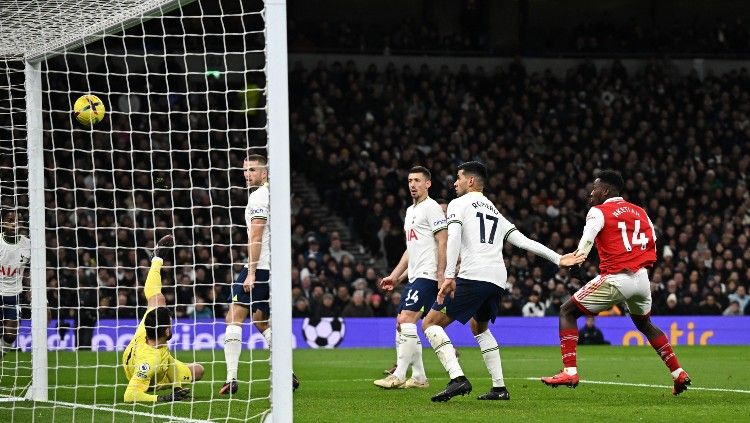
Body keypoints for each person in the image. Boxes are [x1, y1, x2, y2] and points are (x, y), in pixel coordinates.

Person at [421, 161, 583, 402]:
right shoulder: (494, 210)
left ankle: (457, 379)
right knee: (479, 327)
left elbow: (453, 236)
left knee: (430, 324)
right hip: (497, 279)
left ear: (471, 181)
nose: (455, 182)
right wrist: (558, 258)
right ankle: (499, 388)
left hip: (473, 275)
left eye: (459, 177)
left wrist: (448, 276)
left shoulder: (458, 204)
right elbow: (524, 241)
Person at [541, 170, 691, 396]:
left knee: (567, 311)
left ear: (606, 191)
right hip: (641, 279)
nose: (591, 193)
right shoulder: (640, 211)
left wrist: (576, 263)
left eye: (595, 188)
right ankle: (678, 372)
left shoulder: (598, 211)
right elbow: (653, 241)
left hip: (617, 277)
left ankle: (569, 371)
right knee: (645, 324)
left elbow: (587, 241)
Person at [220, 154, 299, 395]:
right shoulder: (273, 195)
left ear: (264, 173)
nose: (247, 174)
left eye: (252, 170)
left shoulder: (258, 196)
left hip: (260, 267)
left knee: (234, 318)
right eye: (245, 170)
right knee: (260, 321)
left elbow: (256, 236)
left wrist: (251, 272)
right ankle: (287, 373)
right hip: (274, 268)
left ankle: (231, 378)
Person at [375, 166, 447, 389]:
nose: (413, 184)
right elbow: (411, 249)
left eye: (417, 180)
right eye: (409, 181)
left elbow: (443, 240)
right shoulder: (410, 211)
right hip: (415, 275)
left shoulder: (432, 207)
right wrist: (396, 277)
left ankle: (398, 374)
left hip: (428, 274)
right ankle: (419, 377)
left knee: (406, 319)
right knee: (403, 324)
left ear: (428, 184)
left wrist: (441, 274)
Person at [122, 235, 204, 402]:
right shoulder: (149, 362)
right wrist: (164, 397)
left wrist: (177, 386)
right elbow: (129, 396)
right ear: (166, 330)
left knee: (198, 370)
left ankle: (156, 258)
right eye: (170, 324)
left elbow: (167, 356)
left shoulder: (151, 326)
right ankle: (161, 386)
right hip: (143, 374)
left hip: (155, 354)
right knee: (153, 372)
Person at [0, 208, 30, 359]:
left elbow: (33, 272)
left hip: (14, 295)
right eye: (10, 221)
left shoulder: (28, 245)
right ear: (3, 222)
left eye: (17, 221)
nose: (14, 224)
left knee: (10, 336)